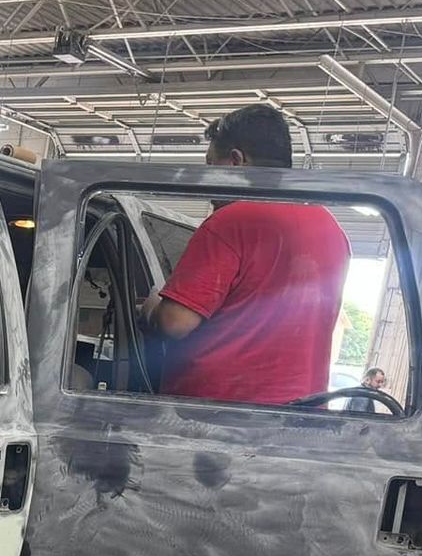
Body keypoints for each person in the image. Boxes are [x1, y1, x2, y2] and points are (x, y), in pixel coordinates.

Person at [139, 104, 350, 404]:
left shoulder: (232, 220)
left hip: (216, 414)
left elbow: (175, 323)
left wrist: (150, 308)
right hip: (301, 416)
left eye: (211, 165)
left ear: (236, 161)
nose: (205, 180)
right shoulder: (330, 228)